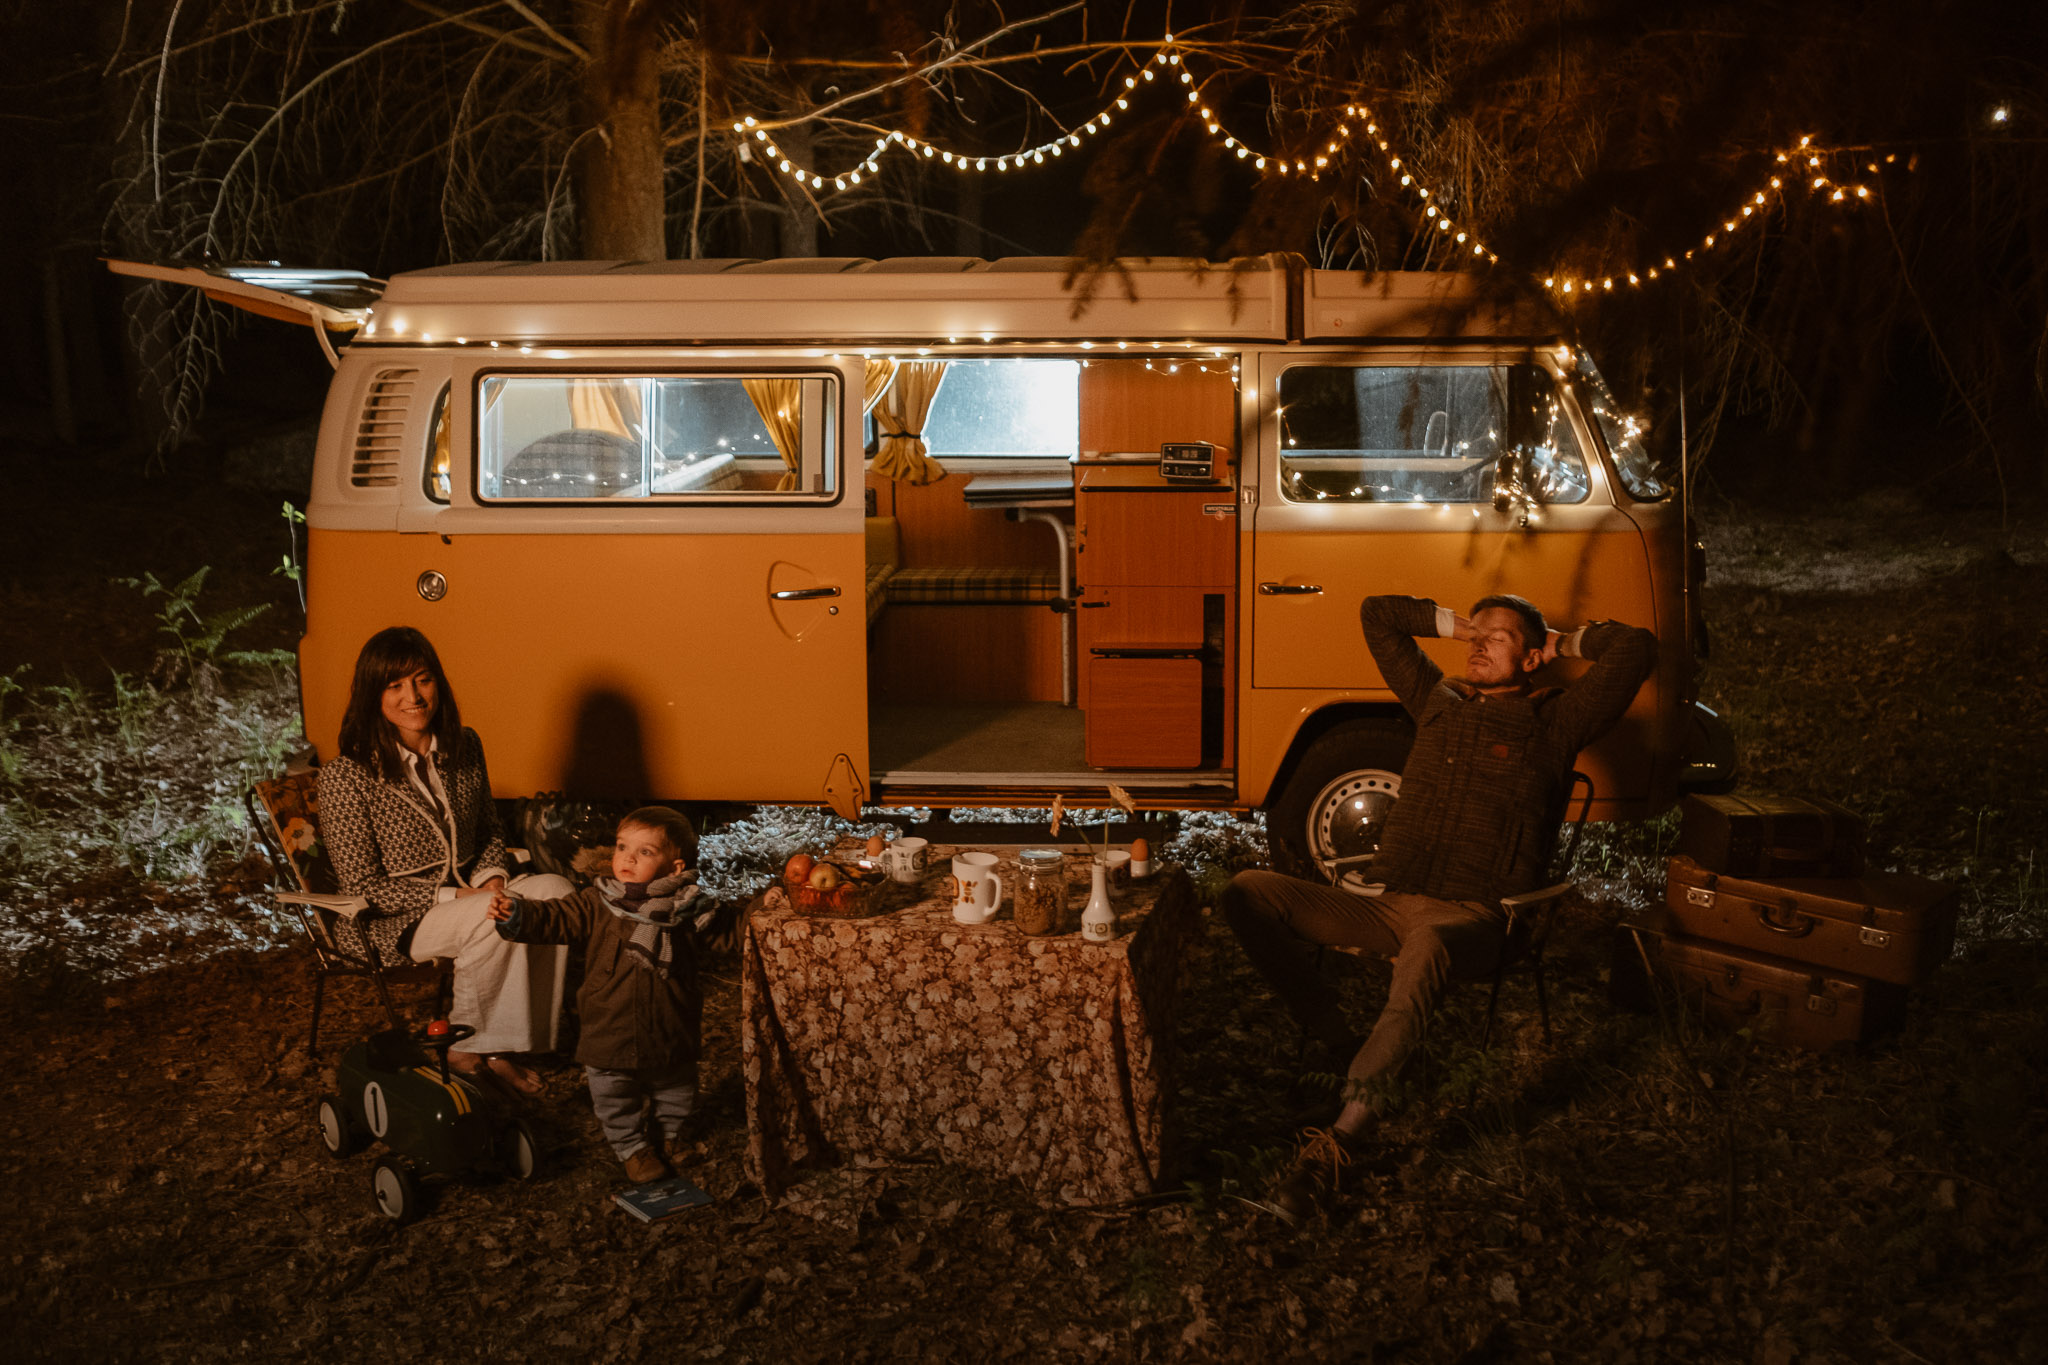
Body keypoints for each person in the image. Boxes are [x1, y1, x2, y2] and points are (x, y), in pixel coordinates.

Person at [1225, 593, 1656, 1222]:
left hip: (1474, 920)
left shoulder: (1556, 722)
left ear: (1533, 657)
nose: (1478, 645)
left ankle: (1336, 1146)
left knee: (1425, 949)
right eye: (1473, 635)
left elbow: (1636, 649)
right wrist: (1462, 626)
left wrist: (1561, 642)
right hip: (1388, 905)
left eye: (1499, 638)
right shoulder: (1436, 702)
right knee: (1247, 892)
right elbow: (1377, 614)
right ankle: (1336, 1037)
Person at [318, 627, 571, 1096]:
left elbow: (489, 828)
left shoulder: (464, 745)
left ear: (439, 685)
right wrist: (461, 895)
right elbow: (361, 886)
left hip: (472, 891)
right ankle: (472, 1048)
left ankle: (515, 1039)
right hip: (391, 920)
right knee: (487, 914)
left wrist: (494, 877)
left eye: (422, 680)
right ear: (372, 695)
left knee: (555, 892)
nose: (412, 697)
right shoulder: (346, 775)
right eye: (394, 686)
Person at [489, 807, 706, 1186]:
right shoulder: (597, 900)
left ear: (675, 868)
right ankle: (631, 1147)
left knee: (675, 1084)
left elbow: (731, 930)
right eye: (623, 847)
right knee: (612, 1091)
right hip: (609, 1018)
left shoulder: (689, 908)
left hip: (669, 1017)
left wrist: (763, 909)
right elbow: (555, 916)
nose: (627, 858)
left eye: (645, 852)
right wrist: (516, 914)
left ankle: (671, 1135)